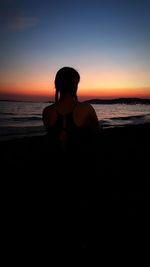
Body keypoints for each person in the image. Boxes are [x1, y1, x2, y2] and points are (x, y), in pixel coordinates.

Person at [42, 66, 100, 153]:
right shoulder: (87, 108)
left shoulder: (47, 111)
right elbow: (97, 132)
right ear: (75, 85)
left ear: (57, 85)